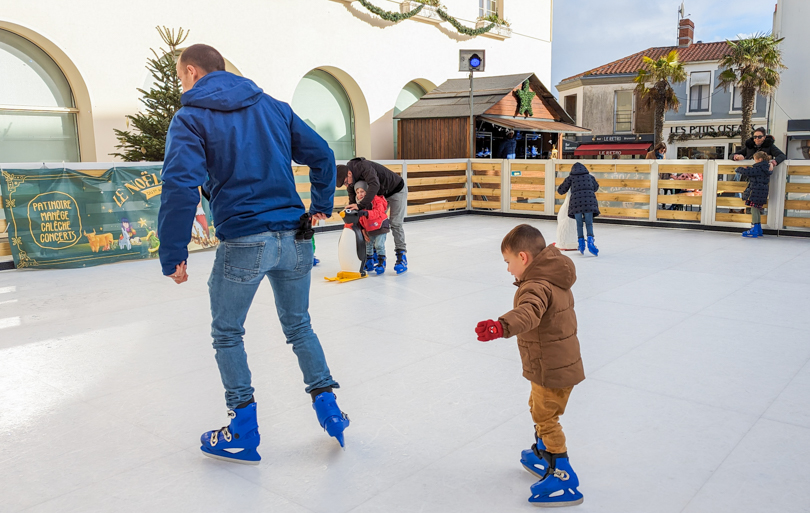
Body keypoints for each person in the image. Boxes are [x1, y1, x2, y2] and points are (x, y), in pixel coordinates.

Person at [158, 44, 350, 464]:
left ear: (192, 72)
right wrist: (320, 204)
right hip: (295, 238)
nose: (180, 85)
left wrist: (173, 251)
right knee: (299, 326)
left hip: (244, 240)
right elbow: (322, 155)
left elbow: (179, 186)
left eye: (180, 77)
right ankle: (330, 409)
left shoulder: (191, 117)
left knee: (228, 333)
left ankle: (242, 430)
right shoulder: (275, 107)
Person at [475, 224, 585, 507]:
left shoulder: (536, 285)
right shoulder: (554, 275)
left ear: (523, 257)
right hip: (559, 363)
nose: (509, 270)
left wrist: (501, 326)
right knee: (539, 408)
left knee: (546, 418)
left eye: (508, 263)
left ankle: (562, 472)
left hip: (550, 367)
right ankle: (541, 453)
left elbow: (529, 312)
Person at [336, 158, 408, 273]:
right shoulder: (351, 182)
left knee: (395, 224)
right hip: (380, 195)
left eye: (345, 182)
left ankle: (401, 256)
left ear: (349, 173)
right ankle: (373, 256)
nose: (347, 185)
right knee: (372, 221)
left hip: (395, 190)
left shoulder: (363, 166)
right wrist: (360, 226)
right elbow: (353, 204)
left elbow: (375, 185)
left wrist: (360, 207)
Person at [556, 162, 600, 256]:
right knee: (589, 223)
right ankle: (591, 241)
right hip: (589, 203)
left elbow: (561, 190)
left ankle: (581, 244)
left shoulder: (571, 177)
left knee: (579, 224)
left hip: (576, 204)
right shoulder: (590, 177)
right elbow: (596, 187)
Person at [353, 180, 390, 274]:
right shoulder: (359, 204)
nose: (360, 194)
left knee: (379, 245)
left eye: (362, 191)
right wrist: (363, 230)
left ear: (367, 191)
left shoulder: (376, 199)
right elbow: (361, 220)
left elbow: (379, 212)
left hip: (380, 225)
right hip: (369, 227)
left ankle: (381, 263)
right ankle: (369, 262)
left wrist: (366, 213)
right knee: (368, 245)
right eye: (357, 192)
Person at [736, 151, 774, 238]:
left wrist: (739, 169)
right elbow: (753, 172)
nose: (754, 161)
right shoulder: (765, 168)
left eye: (755, 159)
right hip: (761, 191)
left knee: (754, 210)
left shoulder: (759, 168)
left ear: (759, 159)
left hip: (755, 191)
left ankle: (754, 229)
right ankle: (758, 229)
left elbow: (749, 172)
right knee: (756, 209)